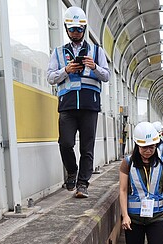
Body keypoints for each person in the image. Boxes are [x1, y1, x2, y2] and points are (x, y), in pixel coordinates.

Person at [47, 6, 110, 198]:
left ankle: (82, 184)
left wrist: (94, 66)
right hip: (67, 105)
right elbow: (50, 77)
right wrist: (66, 70)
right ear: (67, 29)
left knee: (86, 147)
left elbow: (106, 76)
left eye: (79, 29)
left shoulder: (97, 51)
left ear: (84, 29)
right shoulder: (58, 52)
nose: (76, 32)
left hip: (89, 105)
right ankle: (72, 171)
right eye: (72, 29)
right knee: (65, 143)